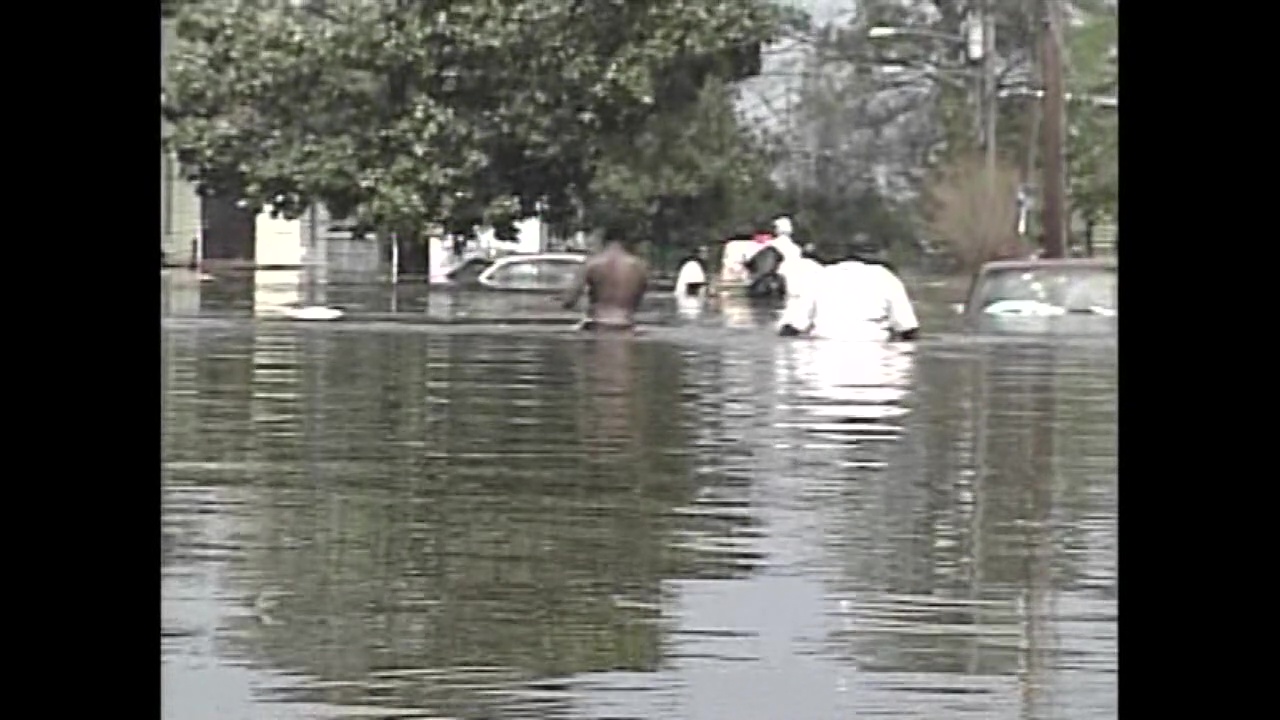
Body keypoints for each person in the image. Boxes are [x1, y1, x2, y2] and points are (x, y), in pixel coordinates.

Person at [777, 253, 920, 342]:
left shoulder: (820, 276)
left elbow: (796, 325)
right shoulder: (885, 276)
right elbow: (908, 327)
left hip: (824, 349)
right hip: (874, 349)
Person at [560, 230, 650, 331]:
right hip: (626, 325)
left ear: (603, 241)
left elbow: (569, 301)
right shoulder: (639, 267)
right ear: (626, 242)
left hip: (597, 324)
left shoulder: (592, 263)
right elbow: (639, 300)